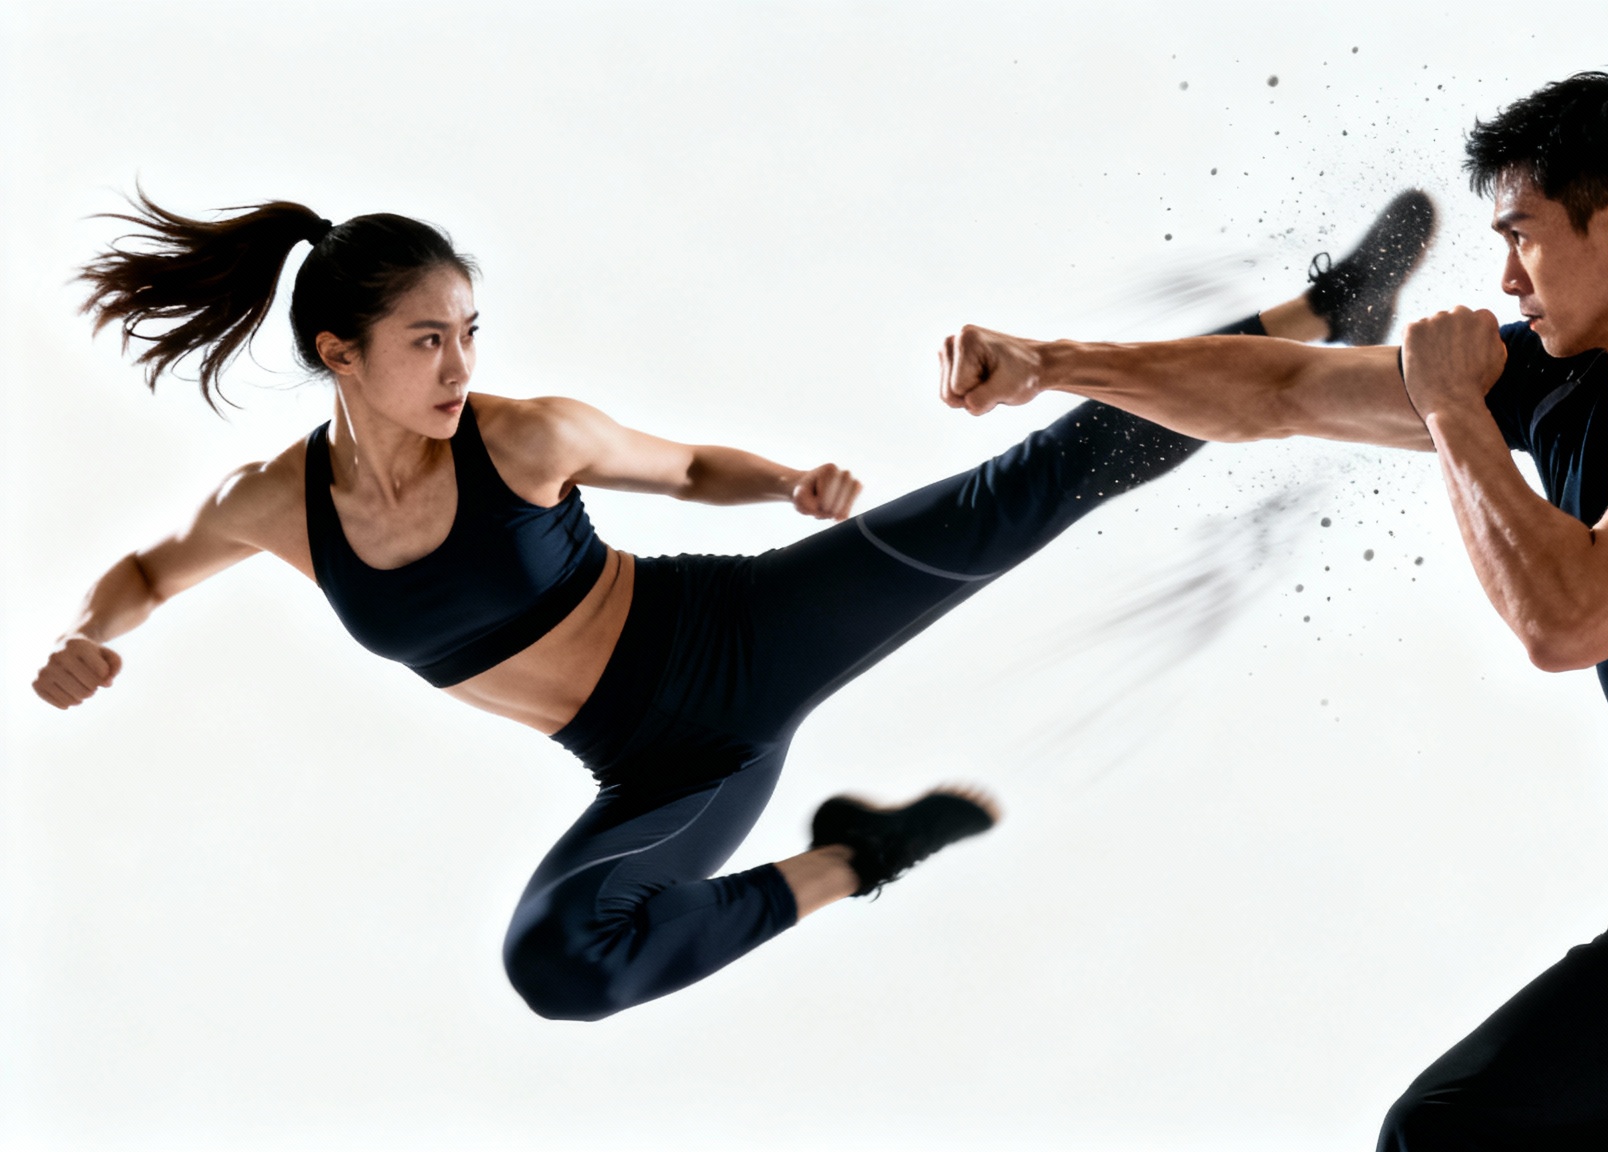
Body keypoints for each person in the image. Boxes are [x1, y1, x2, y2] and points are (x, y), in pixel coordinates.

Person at [31, 190, 1435, 1023]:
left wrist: (787, 485)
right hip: (668, 768)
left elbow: (682, 466)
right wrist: (96, 634)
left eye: (469, 331)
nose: (458, 363)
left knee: (1034, 489)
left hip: (738, 634)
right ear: (340, 354)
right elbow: (152, 569)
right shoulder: (272, 506)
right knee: (559, 969)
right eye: (423, 342)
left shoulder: (521, 435)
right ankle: (856, 861)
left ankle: (1327, 308)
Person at [939, 71, 1608, 1150]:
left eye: (1521, 237)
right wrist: (1054, 364)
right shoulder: (1568, 376)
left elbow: (1568, 615)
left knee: (1450, 1138)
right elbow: (1278, 392)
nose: (1504, 279)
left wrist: (1451, 405)